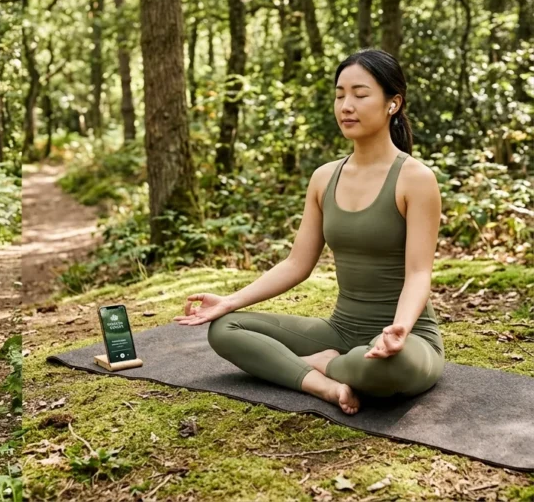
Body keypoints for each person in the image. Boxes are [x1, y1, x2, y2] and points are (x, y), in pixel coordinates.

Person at [176, 48, 444, 415]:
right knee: (225, 328)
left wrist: (398, 329)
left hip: (407, 337)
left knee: (394, 367)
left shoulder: (416, 179)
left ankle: (325, 363)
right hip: (341, 329)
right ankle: (323, 384)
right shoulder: (324, 178)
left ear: (392, 103)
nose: (346, 105)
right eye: (339, 95)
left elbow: (418, 272)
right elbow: (296, 264)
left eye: (360, 94)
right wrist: (229, 301)